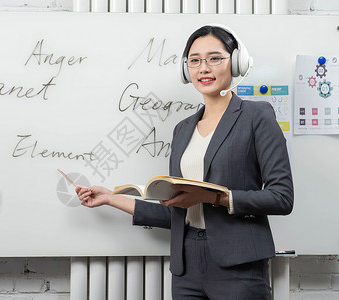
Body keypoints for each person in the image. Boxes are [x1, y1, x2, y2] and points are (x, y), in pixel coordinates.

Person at [76, 24, 293, 300]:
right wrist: (110, 198)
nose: (204, 68)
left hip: (239, 265)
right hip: (186, 265)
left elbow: (282, 197)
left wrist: (214, 197)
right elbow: (176, 212)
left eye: (215, 58)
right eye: (195, 60)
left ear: (236, 62)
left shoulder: (256, 116)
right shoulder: (182, 129)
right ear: (186, 69)